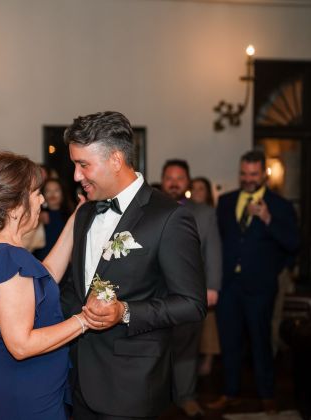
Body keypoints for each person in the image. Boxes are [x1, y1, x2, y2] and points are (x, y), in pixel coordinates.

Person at [61, 111, 207, 419]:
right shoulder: (85, 213)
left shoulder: (168, 217)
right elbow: (74, 290)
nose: (76, 176)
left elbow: (191, 304)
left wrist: (125, 312)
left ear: (115, 159)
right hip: (78, 382)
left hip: (132, 387)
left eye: (83, 165)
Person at [0, 152, 97, 420]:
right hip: (25, 390)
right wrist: (85, 320)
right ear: (15, 207)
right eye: (36, 193)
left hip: (22, 381)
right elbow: (21, 345)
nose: (42, 200)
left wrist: (75, 218)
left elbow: (46, 274)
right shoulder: (10, 258)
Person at [208, 150, 299, 414]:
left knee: (261, 342)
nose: (248, 179)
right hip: (228, 286)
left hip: (260, 288)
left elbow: (293, 243)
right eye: (244, 174)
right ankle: (230, 392)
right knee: (229, 342)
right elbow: (217, 242)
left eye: (254, 174)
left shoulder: (280, 206)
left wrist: (268, 219)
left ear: (264, 176)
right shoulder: (226, 202)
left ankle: (267, 395)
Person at [161, 160, 222, 418]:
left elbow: (213, 251)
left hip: (189, 293)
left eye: (179, 178)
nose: (174, 183)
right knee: (155, 348)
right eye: (169, 178)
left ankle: (186, 396)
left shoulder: (205, 213)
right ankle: (157, 398)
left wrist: (213, 286)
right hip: (153, 294)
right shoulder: (148, 209)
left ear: (187, 182)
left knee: (187, 348)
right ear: (162, 180)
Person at [190, 176, 220, 376]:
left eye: (201, 188)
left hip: (205, 279)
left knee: (209, 325)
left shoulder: (211, 214)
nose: (197, 192)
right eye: (194, 188)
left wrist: (212, 284)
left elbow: (213, 251)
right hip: (192, 283)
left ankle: (208, 359)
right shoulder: (185, 210)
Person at [33, 178, 74, 261]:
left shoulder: (71, 216)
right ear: (42, 194)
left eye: (56, 190)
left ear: (63, 193)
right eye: (48, 191)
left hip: (64, 261)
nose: (52, 194)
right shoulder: (36, 215)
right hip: (40, 261)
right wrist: (38, 220)